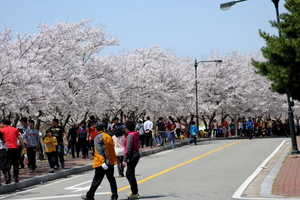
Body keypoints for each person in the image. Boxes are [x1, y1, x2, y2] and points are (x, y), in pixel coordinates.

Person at [81, 122, 118, 200]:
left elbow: (99, 150)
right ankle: (114, 196)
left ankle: (90, 195)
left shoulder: (98, 137)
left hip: (101, 162)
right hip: (110, 161)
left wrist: (102, 161)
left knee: (97, 179)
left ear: (97, 129)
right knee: (111, 179)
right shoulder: (108, 136)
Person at [1, 119, 26, 183]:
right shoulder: (15, 129)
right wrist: (23, 146)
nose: (0, 125)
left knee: (7, 163)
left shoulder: (1, 130)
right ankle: (16, 177)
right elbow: (20, 138)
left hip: (6, 148)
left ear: (4, 124)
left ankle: (8, 178)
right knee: (15, 163)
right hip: (15, 147)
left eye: (1, 124)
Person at [123, 120, 140, 199]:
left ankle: (134, 192)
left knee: (129, 174)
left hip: (131, 155)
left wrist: (125, 158)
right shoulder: (135, 134)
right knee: (130, 173)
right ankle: (134, 191)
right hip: (135, 154)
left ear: (127, 128)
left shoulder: (130, 136)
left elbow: (129, 148)